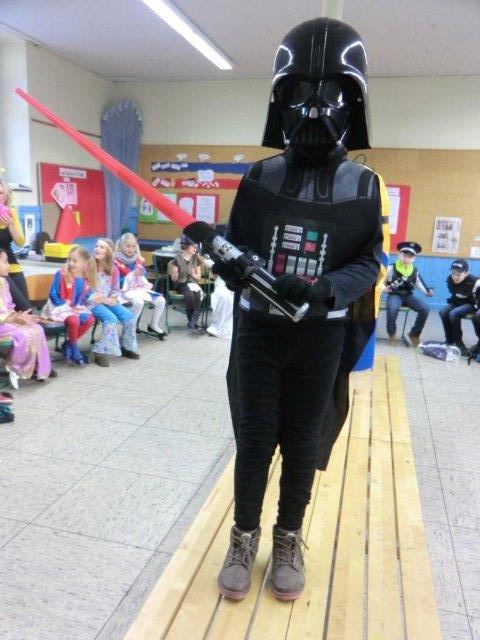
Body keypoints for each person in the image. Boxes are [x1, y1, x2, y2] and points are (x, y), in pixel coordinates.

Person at [215, 18, 389, 602]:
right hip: (260, 335)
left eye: (330, 93)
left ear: (353, 102)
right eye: (301, 94)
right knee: (254, 438)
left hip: (320, 338)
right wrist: (234, 265)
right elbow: (233, 247)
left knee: (303, 441)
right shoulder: (258, 178)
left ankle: (288, 538)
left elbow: (369, 260)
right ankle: (243, 536)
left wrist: (326, 287)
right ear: (280, 99)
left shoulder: (363, 186)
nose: (315, 108)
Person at [0, 249, 53, 384]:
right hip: (2, 324)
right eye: (5, 262)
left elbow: (9, 305)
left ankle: (41, 369)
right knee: (22, 335)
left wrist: (19, 315)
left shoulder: (4, 282)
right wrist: (14, 319)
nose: (8, 265)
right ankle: (14, 367)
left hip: (7, 320)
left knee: (37, 328)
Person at [90, 238, 140, 367]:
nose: (97, 249)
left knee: (129, 317)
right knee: (110, 318)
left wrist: (112, 297)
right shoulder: (88, 267)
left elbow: (115, 289)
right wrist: (98, 298)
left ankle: (126, 347)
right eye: (96, 246)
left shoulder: (113, 269)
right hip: (91, 302)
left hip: (107, 300)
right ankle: (100, 351)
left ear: (109, 252)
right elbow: (84, 290)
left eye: (102, 247)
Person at [42, 245, 94, 365]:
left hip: (74, 307)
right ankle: (74, 348)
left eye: (75, 261)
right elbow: (53, 294)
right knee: (74, 320)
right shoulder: (61, 274)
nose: (71, 263)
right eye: (69, 260)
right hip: (57, 305)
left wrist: (92, 298)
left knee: (90, 319)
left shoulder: (85, 278)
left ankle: (68, 343)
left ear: (84, 263)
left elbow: (86, 295)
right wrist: (66, 306)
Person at [114, 233, 166, 339]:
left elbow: (143, 277)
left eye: (133, 246)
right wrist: (131, 276)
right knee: (139, 302)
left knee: (161, 300)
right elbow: (115, 282)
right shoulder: (115, 261)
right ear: (121, 246)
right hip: (123, 290)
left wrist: (141, 274)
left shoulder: (137, 259)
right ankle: (130, 328)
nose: (130, 249)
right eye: (128, 246)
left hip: (138, 289)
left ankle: (153, 325)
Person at [384, 241, 433, 347]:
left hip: (407, 296)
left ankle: (414, 334)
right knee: (392, 309)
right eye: (405, 255)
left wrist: (427, 292)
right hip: (394, 295)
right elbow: (381, 281)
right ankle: (391, 334)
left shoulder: (414, 271)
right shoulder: (391, 268)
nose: (407, 258)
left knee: (425, 309)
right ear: (399, 255)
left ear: (414, 259)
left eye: (410, 256)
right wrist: (384, 288)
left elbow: (419, 283)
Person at [0, 177, 31, 312]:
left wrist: (10, 225)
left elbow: (21, 242)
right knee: (16, 311)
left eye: (1, 193)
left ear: (6, 195)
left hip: (12, 266)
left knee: (27, 310)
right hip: (1, 272)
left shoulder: (11, 212)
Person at [439, 259, 480, 356]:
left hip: (472, 304)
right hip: (457, 302)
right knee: (443, 312)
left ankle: (459, 343)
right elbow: (455, 294)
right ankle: (449, 339)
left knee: (454, 313)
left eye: (459, 274)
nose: (455, 277)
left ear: (466, 273)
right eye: (453, 273)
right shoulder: (450, 279)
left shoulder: (477, 282)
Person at [170, 237, 203, 331]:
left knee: (197, 294)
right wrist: (175, 275)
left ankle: (192, 321)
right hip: (181, 284)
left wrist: (192, 274)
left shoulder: (196, 258)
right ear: (186, 246)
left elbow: (198, 277)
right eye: (193, 246)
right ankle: (191, 321)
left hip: (192, 283)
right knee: (190, 295)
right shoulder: (177, 258)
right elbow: (173, 279)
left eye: (196, 246)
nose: (195, 248)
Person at [200, 255, 234, 339]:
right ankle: (217, 326)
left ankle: (225, 327)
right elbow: (213, 274)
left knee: (230, 299)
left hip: (233, 285)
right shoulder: (221, 260)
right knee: (222, 297)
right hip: (222, 285)